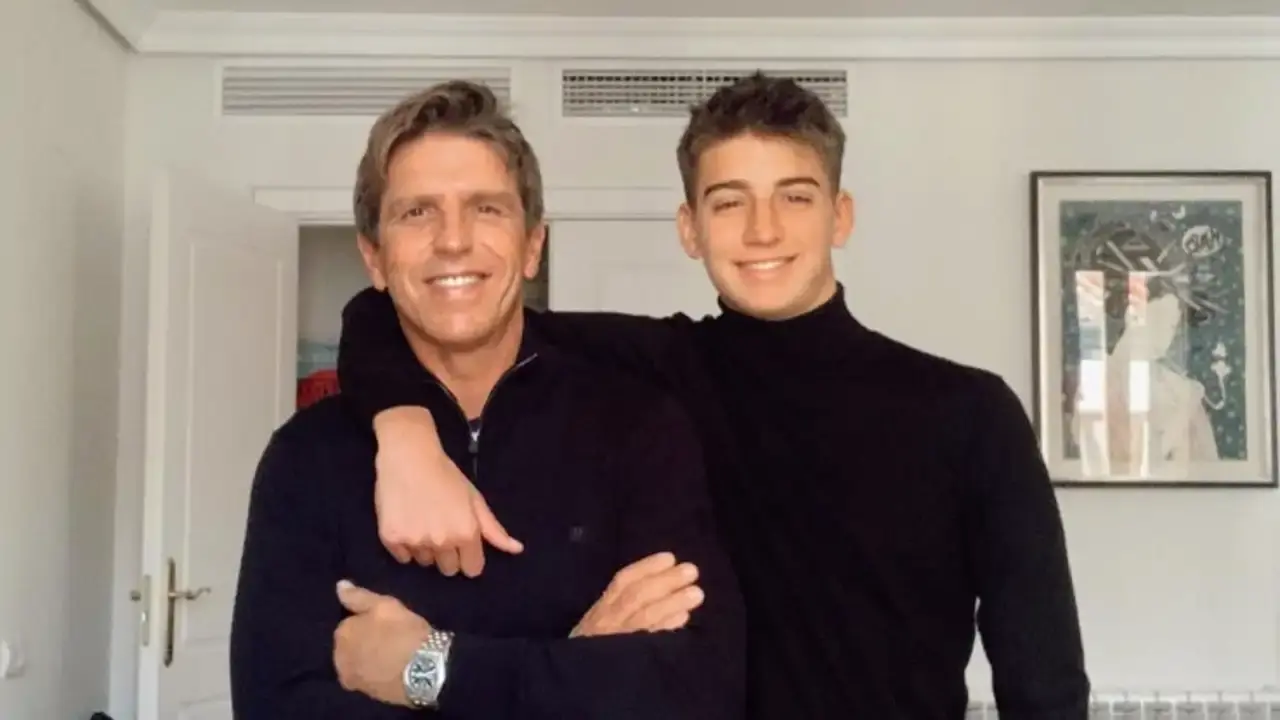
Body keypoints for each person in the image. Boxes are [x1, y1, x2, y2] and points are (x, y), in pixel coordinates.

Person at [337, 72, 1091, 719]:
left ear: (840, 216)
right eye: (729, 202)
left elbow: (1046, 685)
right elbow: (402, 307)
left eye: (795, 197)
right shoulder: (661, 370)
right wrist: (407, 440)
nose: (763, 230)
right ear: (690, 229)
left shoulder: (970, 414)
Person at [228, 79, 744, 719]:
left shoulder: (639, 427)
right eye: (417, 212)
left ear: (532, 246)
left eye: (487, 209)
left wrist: (428, 667)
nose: (453, 240)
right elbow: (277, 709)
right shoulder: (305, 459)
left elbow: (698, 695)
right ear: (375, 258)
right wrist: (577, 664)